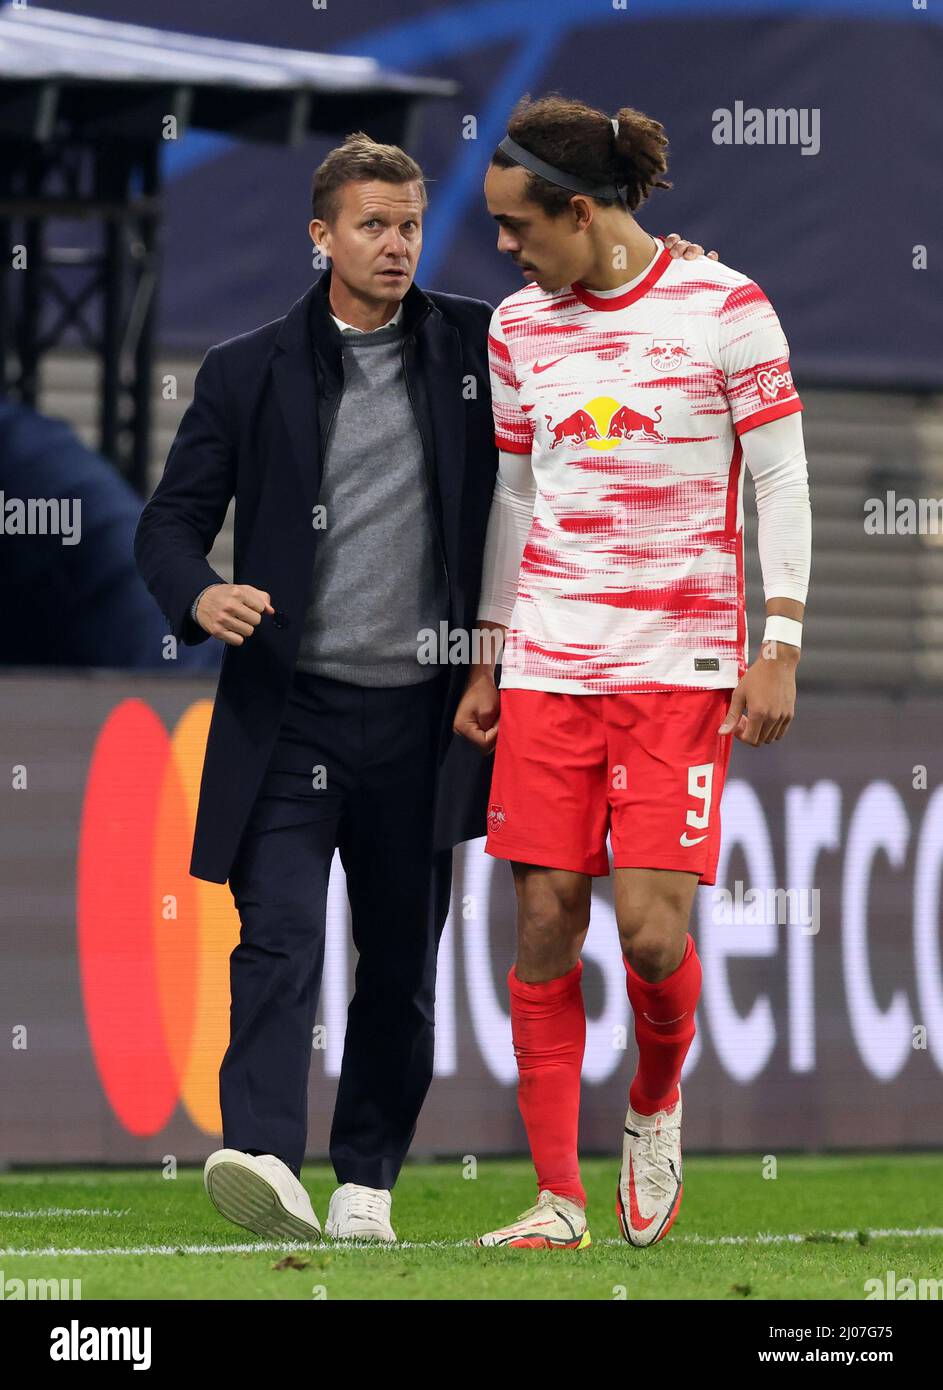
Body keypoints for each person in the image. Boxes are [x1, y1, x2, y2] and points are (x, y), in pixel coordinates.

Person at [135, 128, 714, 1245]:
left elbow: (603, 304)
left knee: (401, 963)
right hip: (289, 709)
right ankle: (263, 1153)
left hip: (423, 714)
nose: (396, 246)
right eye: (371, 226)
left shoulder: (480, 343)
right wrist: (200, 597)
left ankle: (365, 1182)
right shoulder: (244, 370)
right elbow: (167, 525)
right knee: (278, 941)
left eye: (408, 226)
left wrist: (665, 265)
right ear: (322, 238)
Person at [453, 94, 811, 1250]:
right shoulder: (518, 330)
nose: (504, 248)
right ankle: (557, 1197)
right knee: (545, 919)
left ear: (579, 210)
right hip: (551, 665)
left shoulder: (727, 306)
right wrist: (488, 651)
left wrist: (781, 637)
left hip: (681, 667)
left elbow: (779, 479)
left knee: (653, 937)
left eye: (517, 226)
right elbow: (513, 497)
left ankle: (653, 1105)